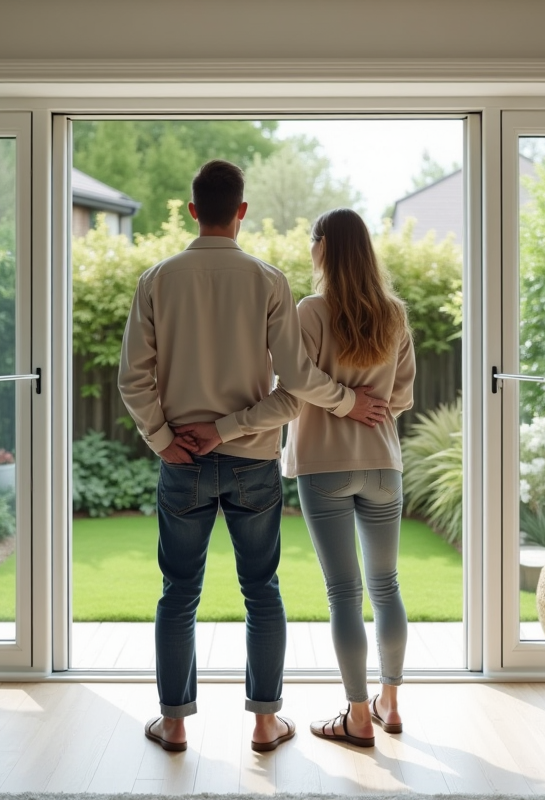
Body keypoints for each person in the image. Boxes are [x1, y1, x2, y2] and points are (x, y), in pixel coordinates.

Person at [118, 162, 389, 754]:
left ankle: (176, 724)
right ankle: (266, 724)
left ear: (193, 210)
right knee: (261, 590)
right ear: (242, 211)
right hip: (253, 462)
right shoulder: (269, 281)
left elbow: (132, 381)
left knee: (178, 592)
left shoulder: (155, 280)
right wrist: (345, 402)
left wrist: (166, 440)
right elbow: (295, 383)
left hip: (181, 462)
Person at [177, 207, 415, 749]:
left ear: (322, 248)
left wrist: (227, 427)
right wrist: (368, 408)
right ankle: (391, 705)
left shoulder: (310, 312)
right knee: (386, 586)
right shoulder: (395, 315)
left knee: (344, 593)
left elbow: (292, 394)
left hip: (323, 468)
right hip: (383, 467)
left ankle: (357, 716)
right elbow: (400, 397)